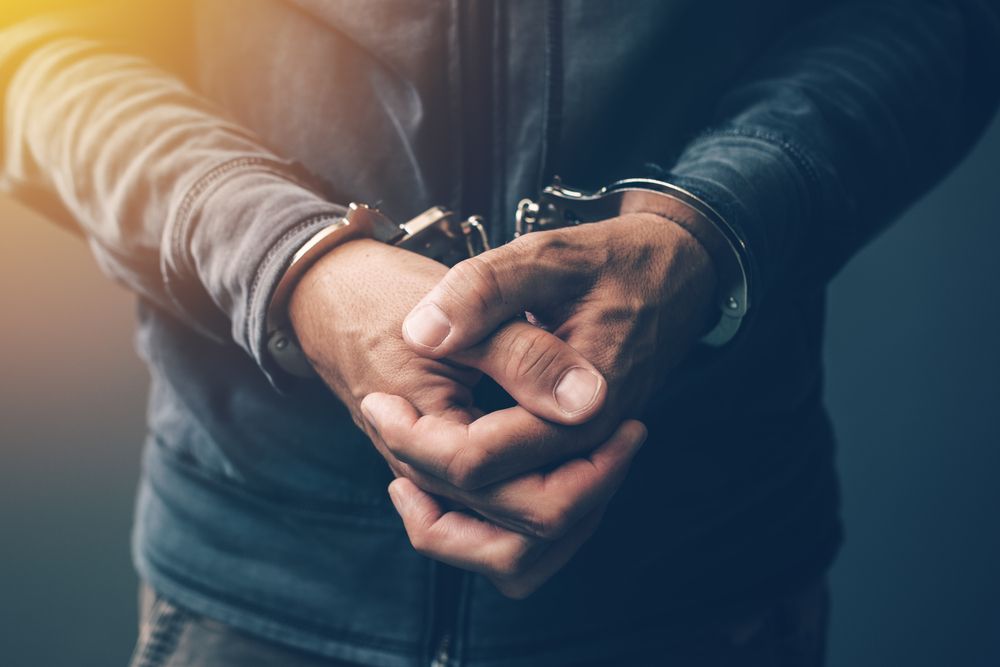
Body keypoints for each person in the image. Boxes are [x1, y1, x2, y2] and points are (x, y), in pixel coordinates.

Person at [2, 1, 998, 665]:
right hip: (255, 593)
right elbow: (38, 48)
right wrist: (286, 258)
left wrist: (713, 226)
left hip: (703, 585)